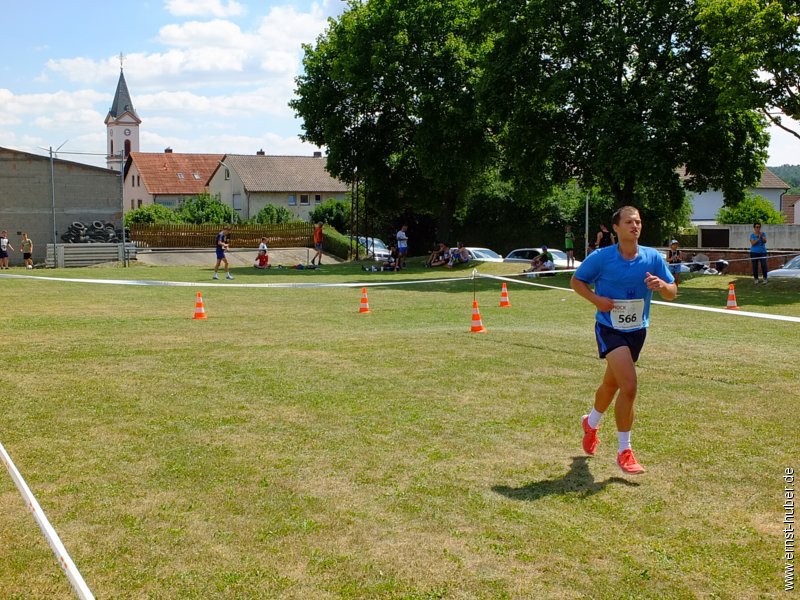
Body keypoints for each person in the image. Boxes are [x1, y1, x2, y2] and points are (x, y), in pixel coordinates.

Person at [571, 206, 677, 475]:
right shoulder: (602, 258)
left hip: (637, 330)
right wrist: (597, 300)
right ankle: (624, 451)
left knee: (611, 384)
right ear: (616, 228)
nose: (635, 225)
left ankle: (591, 423)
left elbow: (673, 292)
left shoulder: (653, 258)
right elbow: (577, 281)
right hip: (609, 328)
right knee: (629, 386)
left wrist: (662, 286)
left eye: (638, 221)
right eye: (629, 221)